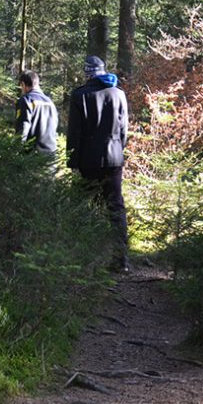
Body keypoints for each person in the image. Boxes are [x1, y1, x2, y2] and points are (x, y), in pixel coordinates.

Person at [66, 55, 130, 271]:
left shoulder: (80, 95)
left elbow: (74, 133)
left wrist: (72, 162)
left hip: (87, 160)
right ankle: (121, 261)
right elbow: (124, 130)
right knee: (115, 208)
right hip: (114, 158)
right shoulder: (119, 93)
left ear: (87, 73)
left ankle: (83, 259)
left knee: (83, 207)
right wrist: (119, 152)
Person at [15, 70, 58, 157]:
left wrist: (16, 150)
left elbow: (23, 126)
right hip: (51, 155)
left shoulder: (26, 100)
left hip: (32, 157)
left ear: (23, 84)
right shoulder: (50, 102)